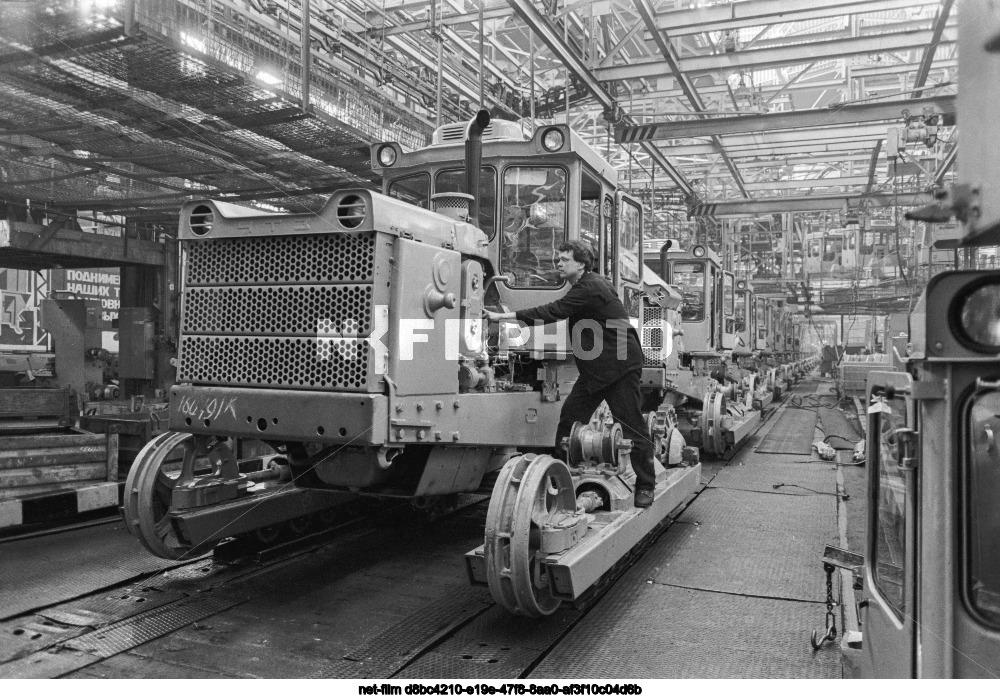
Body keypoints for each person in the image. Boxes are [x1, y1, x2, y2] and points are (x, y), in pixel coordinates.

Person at [483, 240, 658, 508]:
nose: (559, 264)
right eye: (559, 259)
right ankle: (556, 481)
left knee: (633, 425)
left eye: (564, 259)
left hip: (619, 367)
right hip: (596, 368)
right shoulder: (590, 284)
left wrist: (506, 317)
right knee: (569, 420)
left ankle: (646, 486)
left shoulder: (589, 288)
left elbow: (555, 310)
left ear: (581, 263)